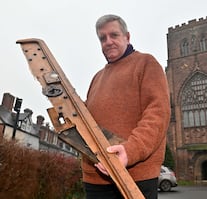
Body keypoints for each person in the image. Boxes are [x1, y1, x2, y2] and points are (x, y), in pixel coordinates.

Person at [82, 14, 171, 199]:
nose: (108, 42)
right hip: (95, 178)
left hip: (135, 177)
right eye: (102, 38)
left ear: (127, 37)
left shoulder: (146, 63)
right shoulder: (96, 78)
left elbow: (158, 114)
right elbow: (88, 119)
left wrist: (130, 151)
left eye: (114, 35)